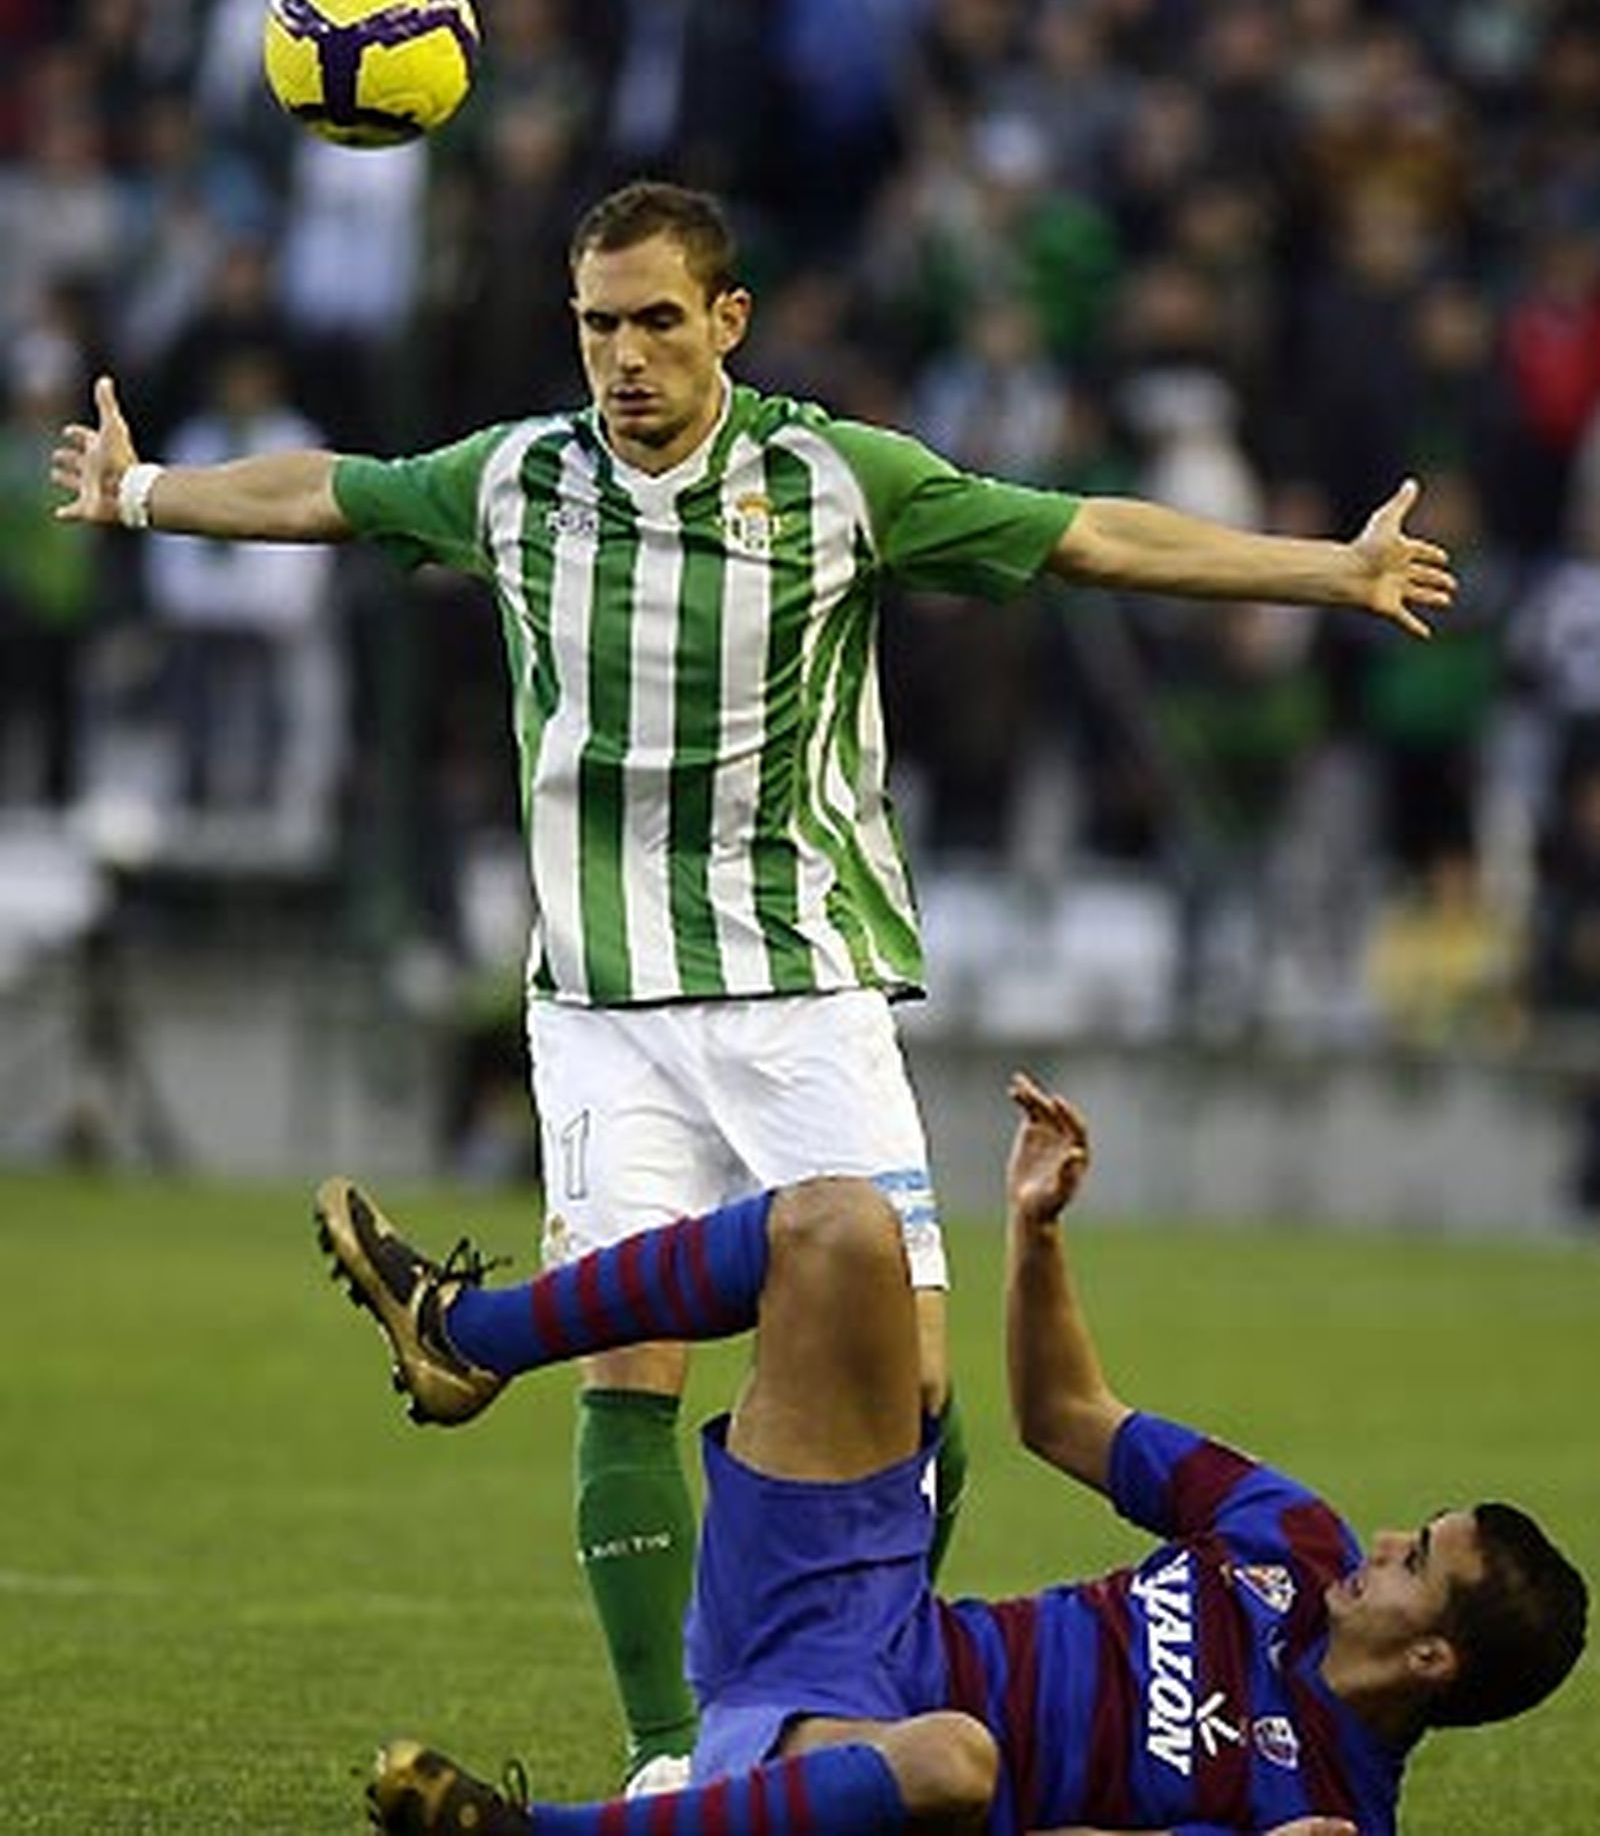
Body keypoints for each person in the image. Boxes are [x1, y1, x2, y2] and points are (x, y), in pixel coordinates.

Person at [49, 180, 1457, 1790]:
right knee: (631, 1372)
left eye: (658, 319)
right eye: (598, 323)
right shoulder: (516, 479)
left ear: (728, 318)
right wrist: (142, 488)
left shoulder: (838, 478)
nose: (625, 356)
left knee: (913, 1385)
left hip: (805, 985)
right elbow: (332, 490)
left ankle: (822, 1657)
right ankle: (673, 1760)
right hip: (601, 999)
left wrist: (1327, 572)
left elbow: (1087, 533)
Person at [312, 1072, 1587, 1836]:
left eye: (1416, 1559)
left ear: (1432, 1655)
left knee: (954, 1757)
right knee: (839, 1224)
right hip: (857, 1595)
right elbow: (1064, 1414)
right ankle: (465, 1337)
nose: (1382, 1539)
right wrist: (1038, 1231)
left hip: (860, 1755)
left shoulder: (1318, 1810)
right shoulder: (1290, 1535)